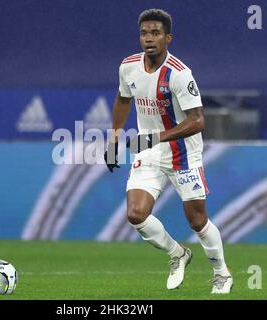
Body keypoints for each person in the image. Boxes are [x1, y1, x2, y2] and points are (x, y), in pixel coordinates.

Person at [104, 8, 233, 294]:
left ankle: (221, 272)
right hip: (148, 152)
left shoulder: (179, 73)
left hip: (183, 153)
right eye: (144, 33)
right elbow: (123, 99)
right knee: (136, 214)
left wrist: (155, 138)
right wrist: (114, 138)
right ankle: (177, 254)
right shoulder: (128, 67)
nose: (149, 39)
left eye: (156, 33)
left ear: (168, 38)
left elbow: (198, 120)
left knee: (197, 220)